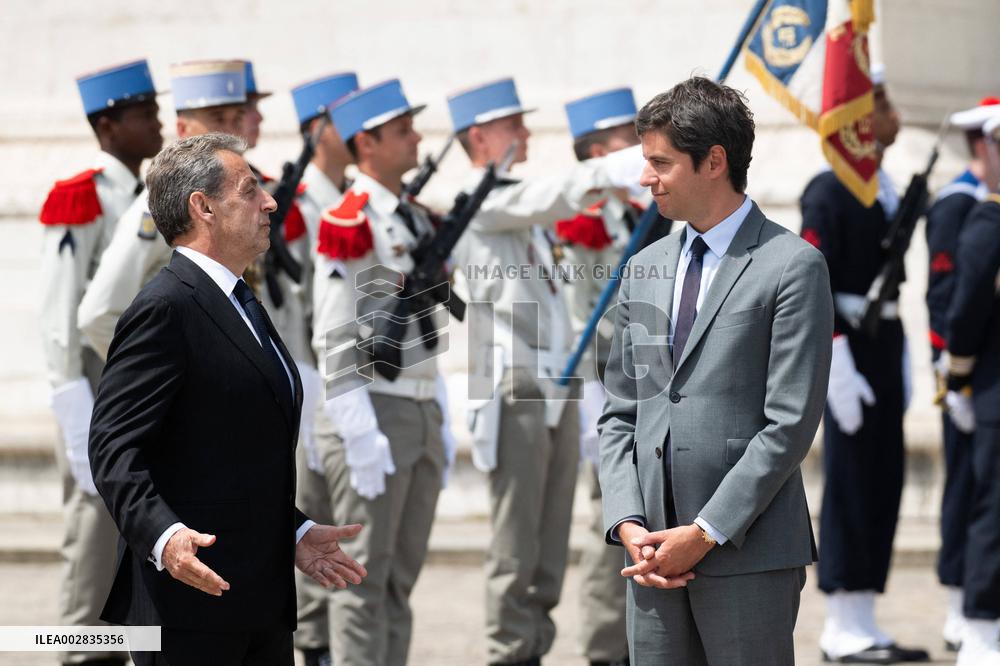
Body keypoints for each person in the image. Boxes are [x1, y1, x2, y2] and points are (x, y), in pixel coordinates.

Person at [88, 132, 367, 665]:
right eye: (250, 190)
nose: (270, 202)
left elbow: (229, 451)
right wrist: (165, 537)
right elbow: (112, 448)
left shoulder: (242, 300)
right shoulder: (165, 308)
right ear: (203, 207)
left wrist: (295, 531)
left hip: (258, 603)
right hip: (188, 607)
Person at [599, 76, 834, 665]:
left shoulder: (792, 265)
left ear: (714, 162)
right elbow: (619, 416)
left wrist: (703, 533)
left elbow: (788, 426)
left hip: (746, 556)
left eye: (660, 163)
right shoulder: (645, 265)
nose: (645, 178)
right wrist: (628, 522)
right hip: (650, 559)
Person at [448, 77, 644, 666]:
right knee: (516, 542)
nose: (526, 133)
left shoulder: (522, 213)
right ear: (480, 138)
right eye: (514, 125)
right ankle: (509, 652)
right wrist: (618, 166)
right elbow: (552, 196)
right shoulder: (482, 200)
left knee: (550, 543)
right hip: (515, 385)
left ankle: (535, 646)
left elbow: (560, 313)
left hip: (555, 388)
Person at [310, 79, 450, 666]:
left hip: (417, 408)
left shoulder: (414, 219)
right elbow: (334, 332)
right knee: (362, 583)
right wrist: (357, 428)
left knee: (400, 581)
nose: (417, 137)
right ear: (366, 143)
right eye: (403, 130)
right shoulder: (350, 219)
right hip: (373, 410)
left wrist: (436, 405)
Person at [800, 66, 930, 663]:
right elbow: (812, 283)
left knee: (882, 480)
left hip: (882, 341)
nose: (894, 116)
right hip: (848, 342)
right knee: (851, 482)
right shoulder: (828, 192)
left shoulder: (887, 190)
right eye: (881, 104)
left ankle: (865, 619)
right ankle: (840, 627)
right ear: (858, 119)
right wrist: (837, 358)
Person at [38, 59, 162, 666]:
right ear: (108, 125)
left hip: (139, 393)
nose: (158, 124)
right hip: (94, 390)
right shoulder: (82, 194)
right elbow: (61, 309)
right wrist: (71, 405)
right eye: (145, 115)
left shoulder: (149, 194)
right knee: (92, 541)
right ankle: (83, 654)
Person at [555, 86, 655, 666]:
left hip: (651, 386)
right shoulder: (582, 221)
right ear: (595, 151)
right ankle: (603, 646)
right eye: (628, 138)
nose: (642, 149)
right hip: (606, 387)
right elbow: (584, 318)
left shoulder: (644, 215)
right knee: (608, 521)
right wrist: (596, 398)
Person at [77, 59, 249, 358]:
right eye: (218, 118)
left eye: (237, 118)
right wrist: (154, 371)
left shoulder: (245, 195)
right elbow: (98, 314)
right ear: (183, 129)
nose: (232, 131)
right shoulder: (163, 203)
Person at [288, 70, 360, 666]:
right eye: (347, 119)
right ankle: (311, 645)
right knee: (304, 511)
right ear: (318, 130)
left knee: (335, 523)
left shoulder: (355, 198)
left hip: (346, 383)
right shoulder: (290, 202)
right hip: (302, 381)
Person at [925, 96, 1000, 651]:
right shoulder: (966, 207)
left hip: (977, 367)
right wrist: (952, 373)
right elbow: (951, 296)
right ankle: (968, 614)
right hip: (970, 372)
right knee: (975, 496)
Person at [945, 113, 1000, 666]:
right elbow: (964, 315)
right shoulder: (988, 223)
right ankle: (982, 630)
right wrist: (960, 378)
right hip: (994, 393)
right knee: (994, 513)